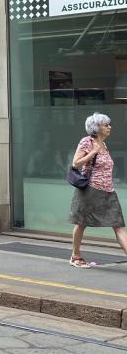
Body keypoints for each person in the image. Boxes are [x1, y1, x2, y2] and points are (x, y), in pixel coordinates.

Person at [69, 112, 127, 268]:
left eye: (109, 124)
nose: (110, 127)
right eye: (106, 125)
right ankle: (76, 256)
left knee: (118, 225)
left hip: (108, 191)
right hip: (90, 190)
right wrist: (94, 152)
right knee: (82, 223)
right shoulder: (87, 142)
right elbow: (76, 164)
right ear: (96, 127)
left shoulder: (104, 144)